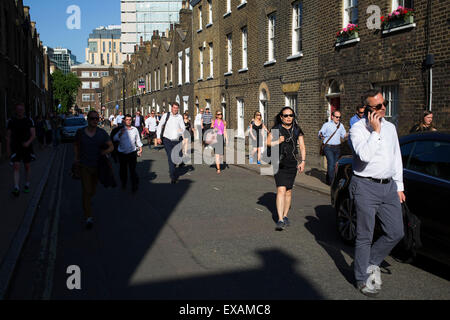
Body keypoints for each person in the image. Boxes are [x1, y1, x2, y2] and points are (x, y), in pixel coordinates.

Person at [349, 89, 405, 297]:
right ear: (367, 110)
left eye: (384, 104)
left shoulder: (391, 128)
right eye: (379, 106)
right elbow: (363, 156)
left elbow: (395, 156)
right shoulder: (357, 129)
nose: (384, 108)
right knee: (365, 235)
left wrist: (399, 186)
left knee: (396, 231)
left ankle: (369, 261)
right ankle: (361, 278)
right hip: (365, 186)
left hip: (389, 186)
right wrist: (375, 131)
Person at [267, 107, 306, 231]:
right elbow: (267, 143)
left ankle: (285, 215)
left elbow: (303, 147)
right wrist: (278, 141)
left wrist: (303, 161)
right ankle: (279, 219)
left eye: (291, 115)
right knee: (281, 189)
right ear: (281, 117)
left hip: (292, 163)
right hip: (279, 163)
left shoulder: (297, 129)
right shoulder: (276, 129)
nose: (289, 117)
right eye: (286, 115)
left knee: (288, 191)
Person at [74, 110, 114, 229]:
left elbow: (111, 146)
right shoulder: (80, 133)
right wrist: (76, 159)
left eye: (97, 119)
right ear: (88, 120)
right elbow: (75, 145)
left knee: (92, 191)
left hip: (98, 166)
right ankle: (88, 217)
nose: (95, 121)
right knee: (86, 190)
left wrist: (104, 152)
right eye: (92, 118)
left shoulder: (102, 133)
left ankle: (87, 202)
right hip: (84, 166)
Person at [6, 103, 36, 197]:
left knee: (27, 166)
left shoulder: (29, 120)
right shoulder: (11, 121)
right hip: (16, 147)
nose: (20, 111)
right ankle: (16, 187)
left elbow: (33, 135)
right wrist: (8, 149)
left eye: (21, 110)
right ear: (16, 110)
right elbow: (8, 136)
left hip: (26, 147)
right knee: (16, 167)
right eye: (18, 110)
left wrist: (28, 142)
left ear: (24, 110)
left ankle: (27, 184)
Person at [157, 102, 185, 184]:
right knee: (170, 157)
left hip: (177, 140)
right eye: (174, 108)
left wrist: (181, 131)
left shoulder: (180, 117)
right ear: (171, 108)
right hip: (167, 140)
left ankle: (175, 165)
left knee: (178, 156)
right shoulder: (166, 115)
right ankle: (173, 176)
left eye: (177, 108)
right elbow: (159, 126)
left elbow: (183, 127)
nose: (175, 109)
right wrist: (158, 137)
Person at [114, 114, 143, 193]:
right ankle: (123, 183)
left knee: (132, 170)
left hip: (132, 153)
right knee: (123, 171)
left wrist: (140, 149)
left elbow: (138, 140)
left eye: (130, 120)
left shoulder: (135, 129)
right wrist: (120, 134)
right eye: (127, 120)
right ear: (124, 121)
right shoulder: (121, 129)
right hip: (122, 153)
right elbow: (115, 138)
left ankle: (134, 186)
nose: (128, 121)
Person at [318, 111, 347, 185]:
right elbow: (321, 133)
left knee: (335, 164)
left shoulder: (341, 125)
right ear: (332, 117)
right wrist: (321, 134)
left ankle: (328, 179)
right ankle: (333, 182)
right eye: (337, 117)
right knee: (331, 164)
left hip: (337, 147)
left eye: (339, 117)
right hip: (328, 147)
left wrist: (351, 133)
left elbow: (344, 135)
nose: (338, 118)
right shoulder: (326, 125)